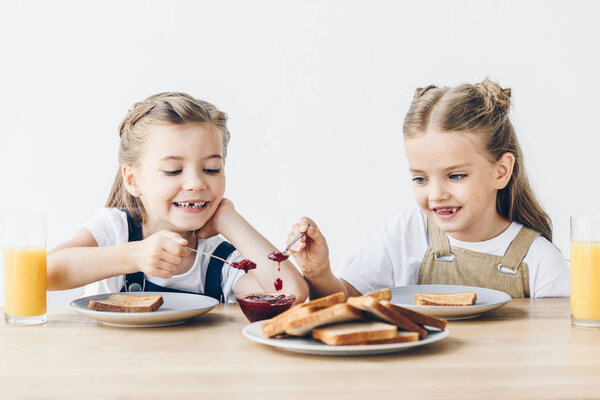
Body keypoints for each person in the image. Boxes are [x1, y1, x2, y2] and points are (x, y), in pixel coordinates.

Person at [287, 78, 569, 299]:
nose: (435, 194)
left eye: (456, 176)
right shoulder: (406, 233)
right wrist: (318, 272)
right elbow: (345, 302)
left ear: (501, 171)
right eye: (420, 179)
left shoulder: (541, 262)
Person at [48, 92, 308, 303]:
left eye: (211, 169)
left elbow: (291, 295)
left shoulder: (221, 260)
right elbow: (39, 273)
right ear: (133, 181)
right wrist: (135, 255)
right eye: (173, 170)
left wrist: (230, 219)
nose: (196, 183)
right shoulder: (115, 230)